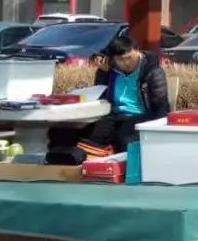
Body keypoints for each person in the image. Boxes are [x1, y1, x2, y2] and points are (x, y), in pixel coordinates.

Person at [47, 36, 170, 164]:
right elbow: (100, 93)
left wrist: (159, 131)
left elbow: (160, 106)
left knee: (124, 137)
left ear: (137, 51)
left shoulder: (152, 71)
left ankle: (121, 166)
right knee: (67, 132)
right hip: (112, 115)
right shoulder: (110, 70)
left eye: (130, 57)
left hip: (140, 116)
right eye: (120, 60)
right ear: (114, 59)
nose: (126, 63)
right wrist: (104, 72)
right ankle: (68, 160)